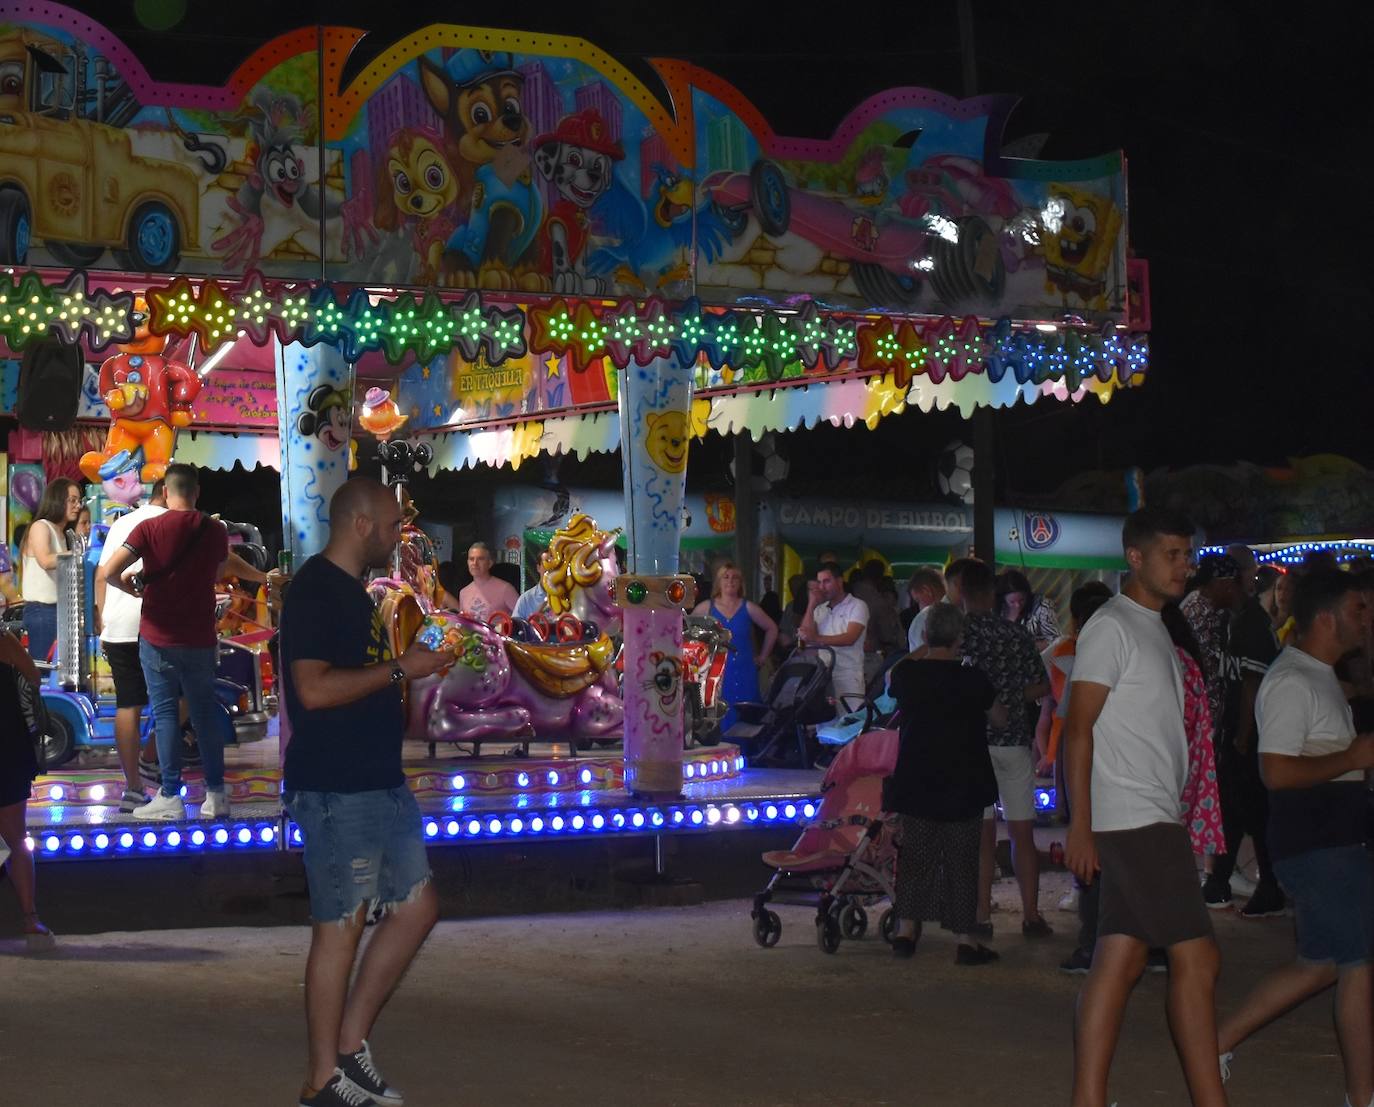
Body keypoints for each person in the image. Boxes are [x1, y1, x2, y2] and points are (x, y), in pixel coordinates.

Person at [279, 477, 451, 1107]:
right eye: (392, 525)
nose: (398, 534)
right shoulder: (315, 590)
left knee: (417, 908)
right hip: (336, 786)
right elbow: (313, 690)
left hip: (378, 779)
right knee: (339, 929)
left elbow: (362, 677)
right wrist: (404, 667)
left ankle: (349, 1048)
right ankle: (320, 1079)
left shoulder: (355, 590)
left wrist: (413, 663)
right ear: (360, 525)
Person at [1064, 508, 1226, 1107]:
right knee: (1199, 959)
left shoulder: (1153, 625)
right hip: (1136, 818)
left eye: (1188, 554)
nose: (1186, 566)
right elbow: (1077, 729)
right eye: (1172, 555)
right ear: (1135, 558)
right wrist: (1081, 827)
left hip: (1151, 813)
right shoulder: (1112, 626)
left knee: (1120, 958)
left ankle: (1088, 1099)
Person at [1217, 571, 1374, 1107]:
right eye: (1358, 609)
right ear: (1326, 618)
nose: (1366, 618)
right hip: (1318, 843)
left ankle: (1215, 1043)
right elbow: (1276, 772)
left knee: (1323, 963)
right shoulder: (1292, 680)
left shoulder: (1318, 674)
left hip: (1332, 840)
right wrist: (1352, 757)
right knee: (1356, 964)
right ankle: (1361, 1096)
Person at [100, 464, 235, 821]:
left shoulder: (148, 528)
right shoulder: (215, 530)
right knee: (204, 715)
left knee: (165, 716)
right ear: (197, 492)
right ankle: (216, 795)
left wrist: (129, 587)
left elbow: (108, 571)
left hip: (158, 637)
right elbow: (219, 573)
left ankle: (171, 796)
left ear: (164, 491)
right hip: (201, 637)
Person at [886, 603, 1004, 965]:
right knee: (961, 861)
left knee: (916, 858)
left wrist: (927, 646)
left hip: (918, 777)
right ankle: (965, 939)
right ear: (960, 638)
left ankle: (906, 931)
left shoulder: (909, 676)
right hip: (964, 780)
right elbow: (999, 718)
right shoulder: (973, 679)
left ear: (925, 635)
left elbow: (893, 675)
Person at [958, 559, 1052, 938]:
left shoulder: (959, 636)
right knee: (1022, 833)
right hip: (1014, 741)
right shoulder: (1016, 635)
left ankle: (982, 916)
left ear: (962, 592)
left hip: (973, 744)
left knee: (983, 837)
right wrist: (1011, 697)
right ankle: (1031, 915)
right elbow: (1042, 686)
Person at [1205, 545, 1284, 917]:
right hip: (1240, 731)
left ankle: (1266, 886)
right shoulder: (1235, 619)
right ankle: (1222, 881)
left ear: (1228, 583)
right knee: (1235, 810)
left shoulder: (1250, 622)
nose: (1206, 595)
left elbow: (1252, 683)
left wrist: (1241, 735)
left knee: (1252, 811)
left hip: (1249, 734)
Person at [94, 479, 168, 813]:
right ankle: (150, 758)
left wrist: (103, 621)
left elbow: (101, 576)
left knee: (128, 703)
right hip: (156, 623)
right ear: (169, 492)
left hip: (117, 626)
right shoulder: (174, 522)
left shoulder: (121, 523)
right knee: (182, 696)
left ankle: (133, 789)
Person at [0, 627, 54, 951]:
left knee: (14, 838)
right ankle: (30, 919)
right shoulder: (3, 641)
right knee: (15, 837)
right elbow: (33, 678)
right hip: (7, 745)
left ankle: (31, 918)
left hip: (8, 747)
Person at [692, 562, 777, 734]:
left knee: (747, 719)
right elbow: (688, 633)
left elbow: (772, 628)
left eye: (735, 578)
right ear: (719, 582)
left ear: (740, 582)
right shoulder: (706, 608)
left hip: (745, 671)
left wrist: (763, 657)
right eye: (726, 577)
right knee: (720, 717)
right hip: (718, 674)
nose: (730, 581)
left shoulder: (749, 607)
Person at [21, 478, 82, 662]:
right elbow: (45, 560)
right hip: (42, 611)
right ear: (57, 500)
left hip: (60, 610)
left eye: (79, 501)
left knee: (59, 668)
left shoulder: (64, 534)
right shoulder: (41, 526)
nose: (78, 506)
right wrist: (76, 554)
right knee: (44, 669)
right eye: (72, 500)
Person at [799, 562, 869, 712]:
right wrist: (811, 604)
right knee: (823, 722)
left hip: (848, 675)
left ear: (839, 581)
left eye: (826, 581)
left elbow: (850, 638)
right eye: (819, 582)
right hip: (822, 676)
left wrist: (816, 638)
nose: (822, 587)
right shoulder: (819, 610)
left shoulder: (857, 605)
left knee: (850, 721)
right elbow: (805, 636)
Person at [998, 568, 1062, 651]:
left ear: (1027, 595)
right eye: (1012, 602)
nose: (1017, 605)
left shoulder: (1042, 607)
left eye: (1021, 600)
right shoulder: (999, 610)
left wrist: (1025, 646)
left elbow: (1056, 640)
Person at [458, 542, 518, 623]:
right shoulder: (463, 593)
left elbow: (522, 620)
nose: (475, 563)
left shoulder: (506, 589)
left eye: (480, 559)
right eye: (471, 559)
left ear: (490, 563)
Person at [905, 567, 947, 654]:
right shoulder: (962, 611)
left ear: (926, 590)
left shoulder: (923, 619)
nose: (919, 607)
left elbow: (921, 658)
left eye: (918, 600)